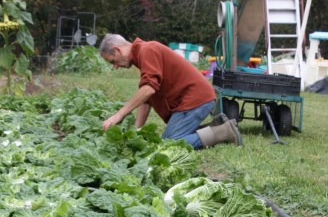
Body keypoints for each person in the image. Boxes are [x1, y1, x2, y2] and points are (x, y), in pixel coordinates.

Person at [99, 34, 242, 148]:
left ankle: (224, 132)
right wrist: (137, 130)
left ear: (118, 50)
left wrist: (119, 115)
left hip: (196, 100)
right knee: (170, 140)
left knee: (169, 143)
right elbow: (147, 99)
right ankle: (216, 126)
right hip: (190, 102)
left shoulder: (147, 50)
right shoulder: (142, 55)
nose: (115, 66)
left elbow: (148, 89)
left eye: (113, 61)